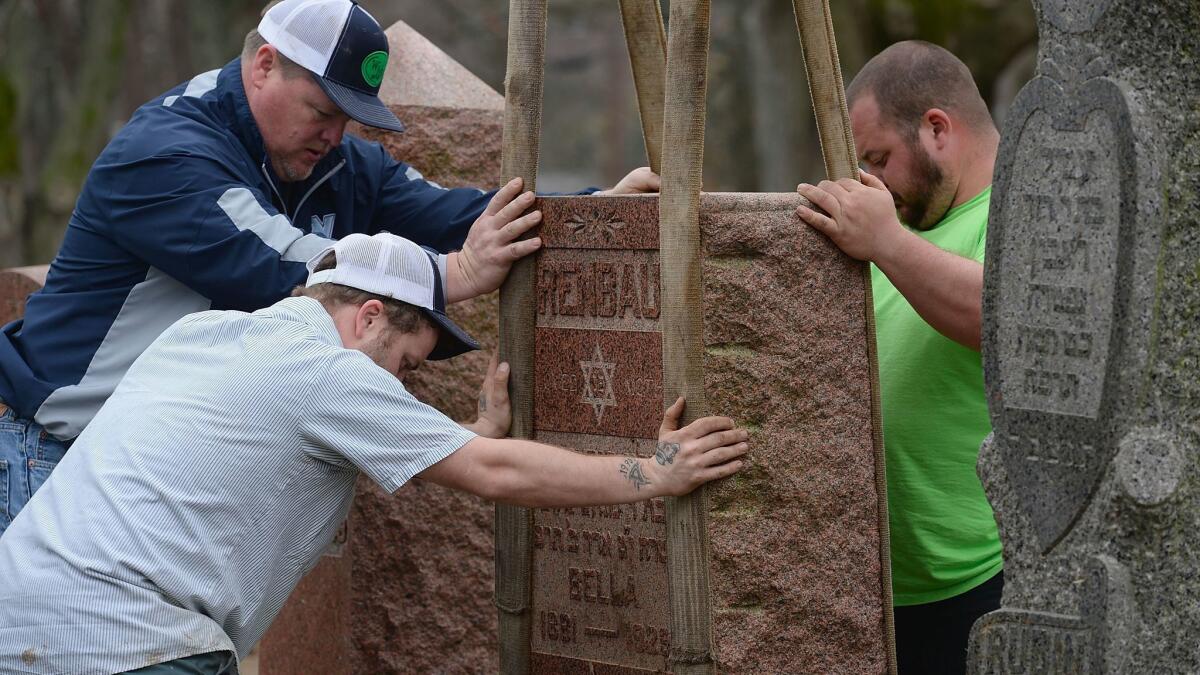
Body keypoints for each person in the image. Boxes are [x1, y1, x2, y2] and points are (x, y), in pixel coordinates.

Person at [0, 0, 659, 535]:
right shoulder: (165, 152)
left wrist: (595, 214)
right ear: (264, 66)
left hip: (151, 473)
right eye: (322, 112)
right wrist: (451, 276)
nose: (334, 136)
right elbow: (283, 264)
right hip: (54, 456)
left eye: (348, 119)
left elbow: (464, 214)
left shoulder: (336, 165)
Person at [0, 229, 749, 674]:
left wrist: (470, 436)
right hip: (128, 642)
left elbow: (277, 452)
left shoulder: (208, 335)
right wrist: (653, 472)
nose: (402, 387)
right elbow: (489, 473)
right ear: (365, 317)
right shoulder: (328, 373)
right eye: (407, 367)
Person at [794, 41, 1002, 674]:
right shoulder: (898, 227)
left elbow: (1006, 323)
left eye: (879, 158)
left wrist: (885, 240)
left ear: (937, 128)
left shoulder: (1021, 207)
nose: (873, 181)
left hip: (979, 582)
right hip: (873, 586)